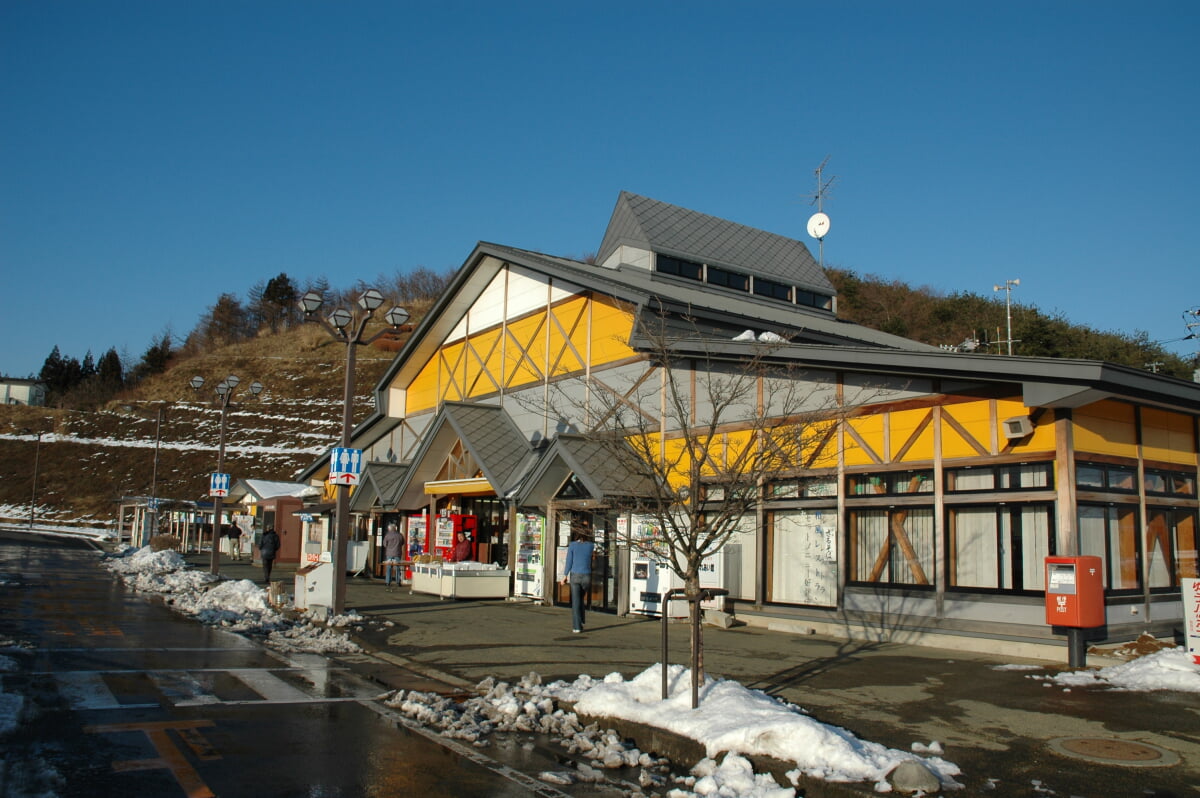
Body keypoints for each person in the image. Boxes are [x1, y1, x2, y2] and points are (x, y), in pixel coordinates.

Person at [561, 526, 595, 634]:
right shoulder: (591, 546)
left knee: (576, 601)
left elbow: (569, 561)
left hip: (575, 575)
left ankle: (577, 626)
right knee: (580, 598)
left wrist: (565, 575)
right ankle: (581, 620)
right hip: (586, 576)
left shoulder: (572, 545)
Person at [382, 523, 405, 589]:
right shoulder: (400, 535)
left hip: (389, 553)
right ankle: (398, 581)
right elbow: (402, 543)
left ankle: (388, 582)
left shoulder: (387, 535)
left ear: (389, 529)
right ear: (395, 528)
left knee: (389, 568)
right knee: (397, 567)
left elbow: (384, 544)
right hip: (397, 553)